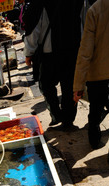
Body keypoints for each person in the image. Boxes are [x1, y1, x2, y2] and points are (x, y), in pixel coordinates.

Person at [24, 0, 84, 128]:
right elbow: (83, 21)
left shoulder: (40, 3)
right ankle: (68, 120)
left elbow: (34, 27)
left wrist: (29, 52)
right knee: (69, 87)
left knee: (46, 85)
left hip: (50, 53)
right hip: (72, 50)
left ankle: (57, 115)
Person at [73, 0, 109, 168]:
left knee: (95, 111)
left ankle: (94, 139)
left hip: (96, 76)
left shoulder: (95, 9)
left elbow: (85, 50)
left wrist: (78, 84)